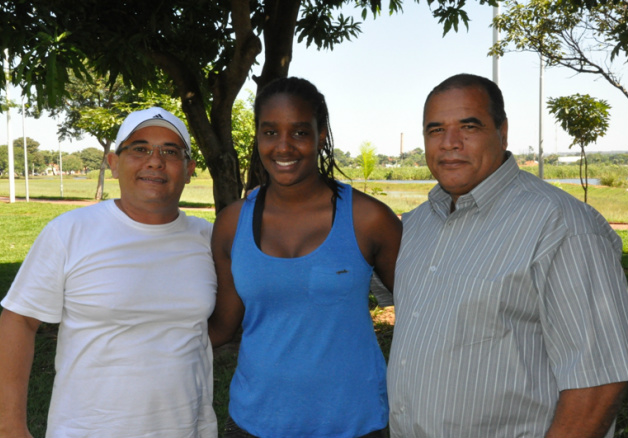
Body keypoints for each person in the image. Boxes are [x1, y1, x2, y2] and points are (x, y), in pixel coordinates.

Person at [387, 73, 628, 438]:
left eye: (469, 126)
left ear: (503, 132)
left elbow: (598, 383)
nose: (450, 143)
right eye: (435, 130)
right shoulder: (417, 226)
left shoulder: (563, 227)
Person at [0, 107, 218, 438]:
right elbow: (19, 321)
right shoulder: (69, 232)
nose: (155, 161)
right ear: (113, 163)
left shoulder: (209, 239)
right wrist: (12, 428)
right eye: (139, 149)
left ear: (188, 170)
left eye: (171, 152)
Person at [209, 77, 402, 438]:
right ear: (258, 136)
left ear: (321, 135)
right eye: (270, 132)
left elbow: (421, 311)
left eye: (299, 132)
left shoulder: (368, 219)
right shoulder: (232, 223)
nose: (283, 147)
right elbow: (222, 326)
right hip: (255, 422)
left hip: (354, 423)